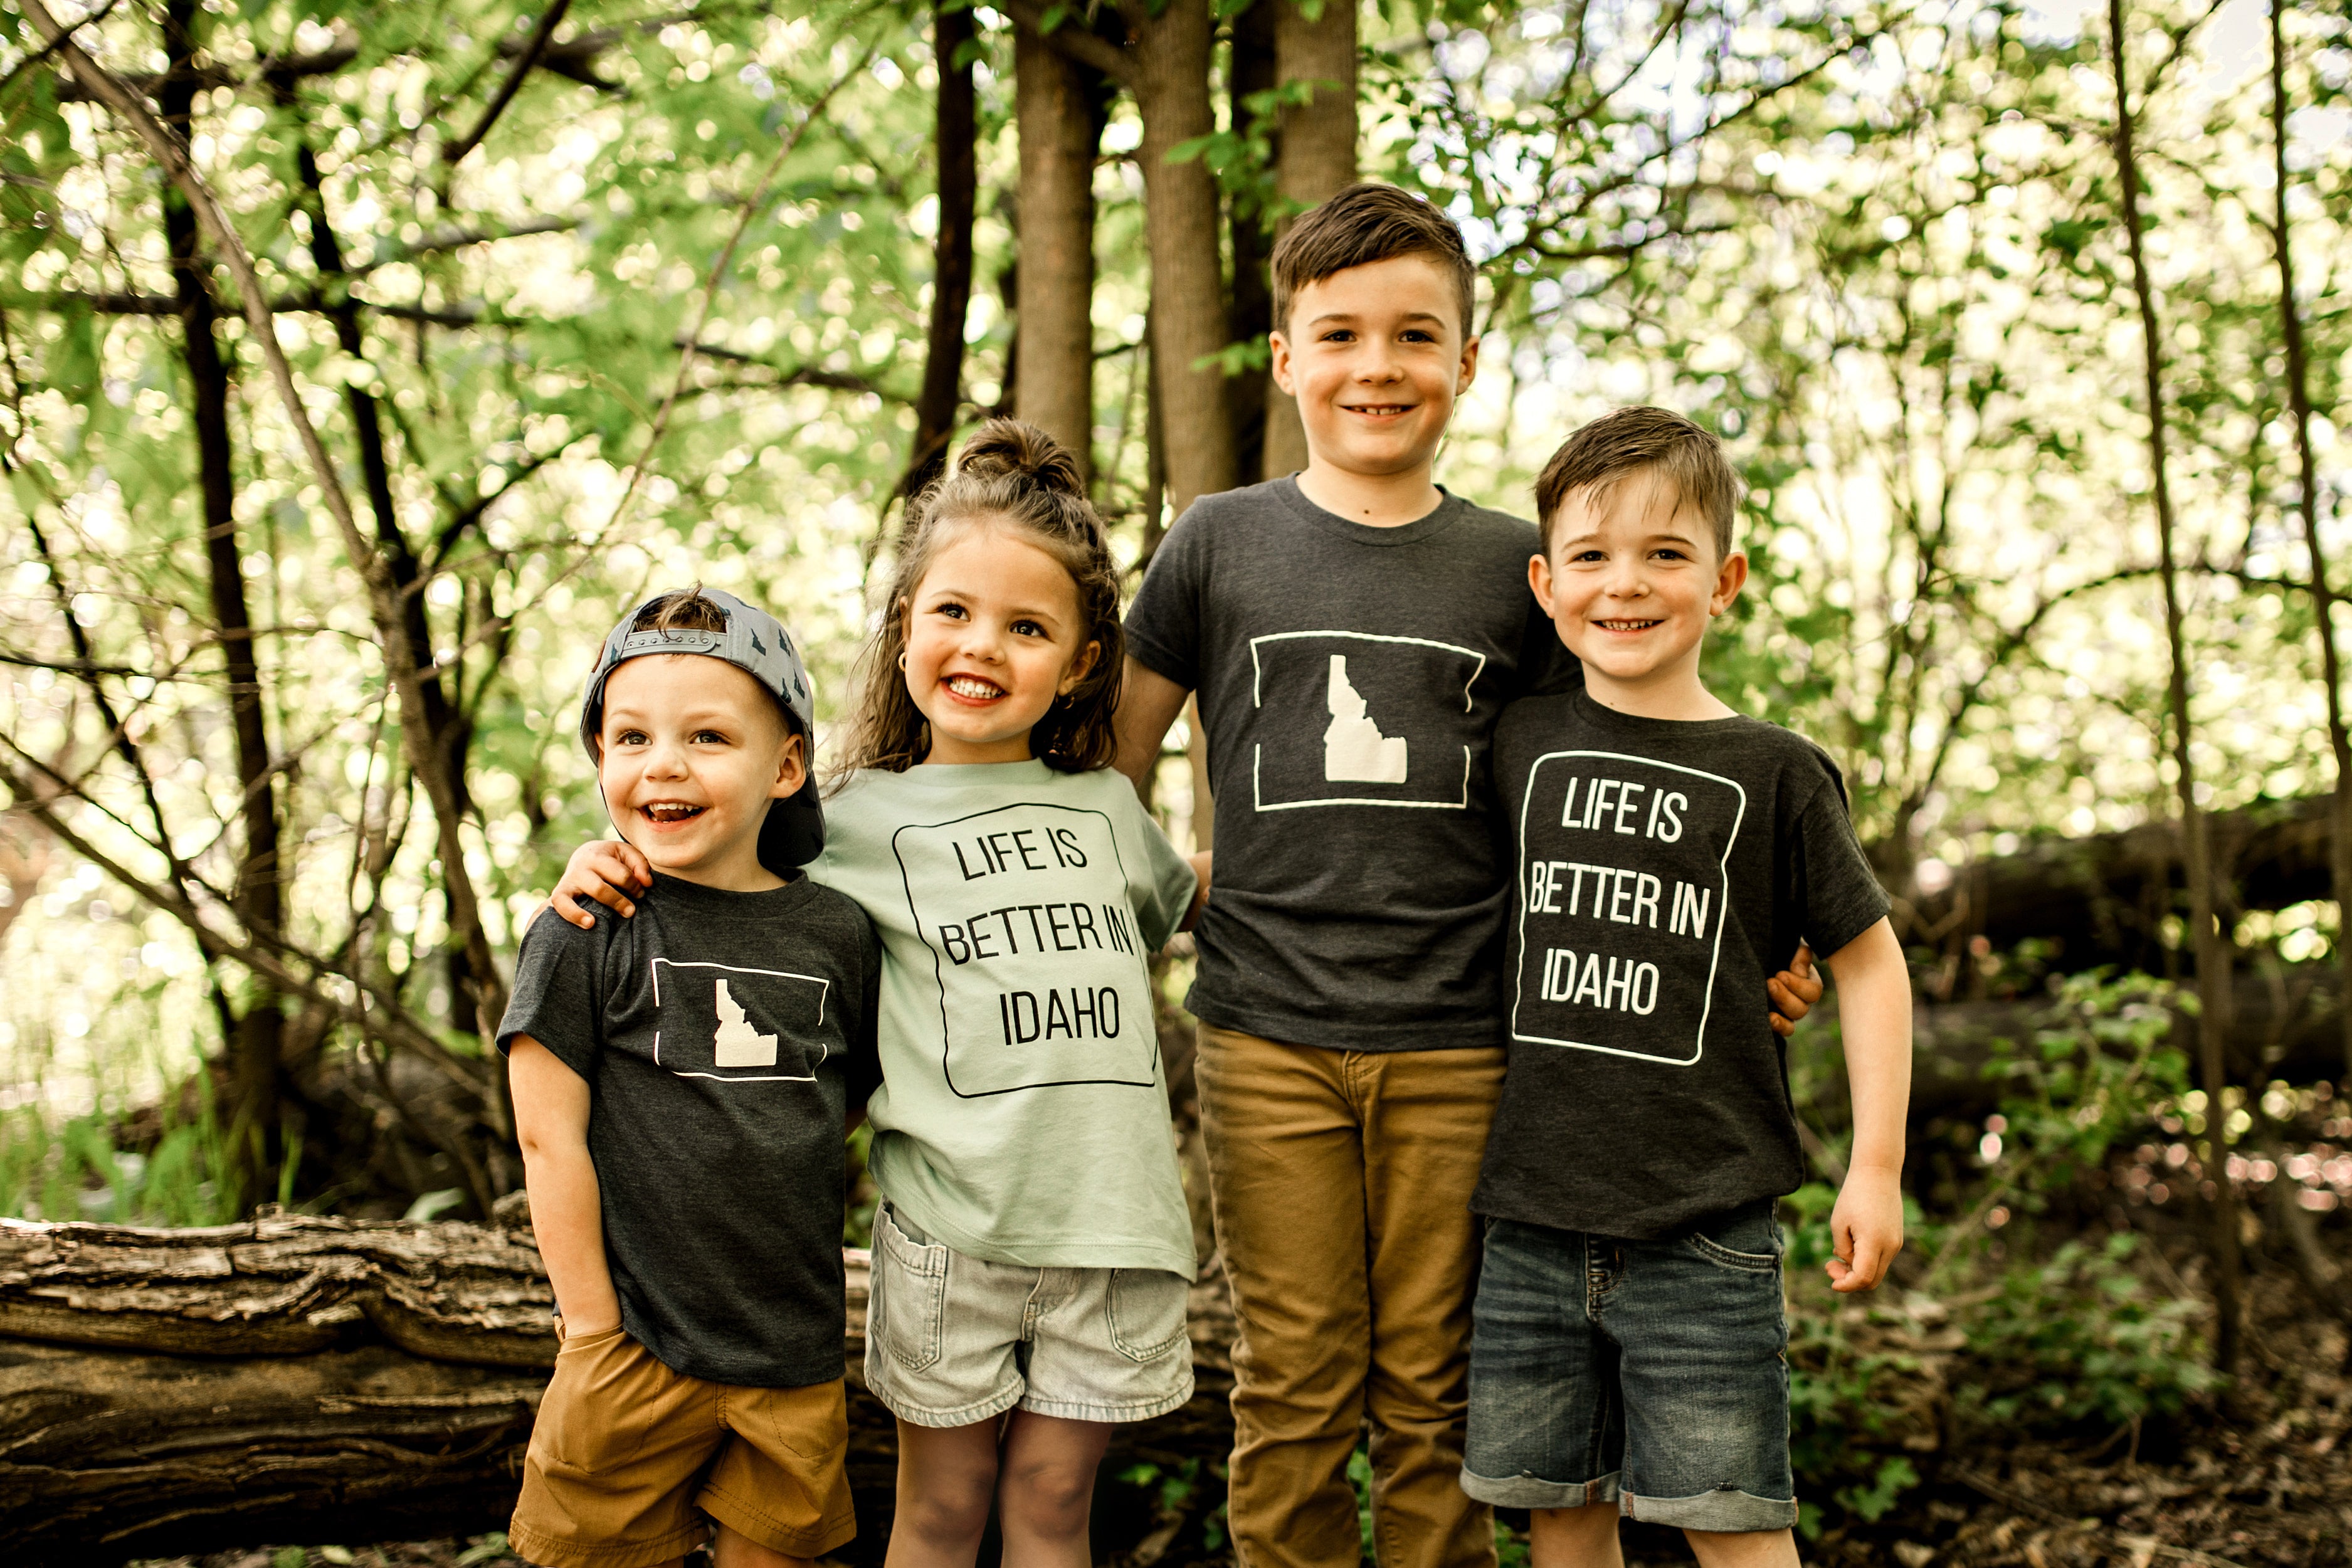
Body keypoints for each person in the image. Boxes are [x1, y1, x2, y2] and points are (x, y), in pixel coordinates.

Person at [1112, 182, 1824, 1568]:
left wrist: (1745, 953)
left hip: (1466, 1041)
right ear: (1284, 356)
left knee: (1436, 1397)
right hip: (1264, 1037)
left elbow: (1628, 763)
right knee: (1296, 1390)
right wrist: (1175, 889)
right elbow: (1106, 776)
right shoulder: (1218, 542)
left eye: (1413, 336)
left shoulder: (1521, 566)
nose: (1375, 367)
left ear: (1466, 364)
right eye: (1340, 335)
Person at [545, 421, 1206, 1568]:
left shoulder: (1108, 806)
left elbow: (1182, 904)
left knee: (1054, 1506)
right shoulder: (845, 821)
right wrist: (598, 862)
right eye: (952, 612)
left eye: (1027, 627)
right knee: (942, 1512)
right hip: (951, 1228)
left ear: (1082, 661)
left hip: (1112, 1225)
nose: (982, 646)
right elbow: (712, 848)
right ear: (905, 628)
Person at [1463, 407, 1912, 1568]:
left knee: (1736, 1530)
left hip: (1706, 1225)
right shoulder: (1513, 740)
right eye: (1593, 555)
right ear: (1545, 583)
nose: (1627, 583)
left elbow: (1868, 963)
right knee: (1561, 1522)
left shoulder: (1776, 769)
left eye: (1667, 553)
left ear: (1727, 581)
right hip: (1531, 1217)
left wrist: (1876, 1165)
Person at [500, 587, 880, 1568]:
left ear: (786, 763)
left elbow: (838, 1104)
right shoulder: (588, 927)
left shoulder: (837, 934)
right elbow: (547, 1135)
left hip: (789, 1354)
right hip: (629, 1350)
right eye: (629, 738)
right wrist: (588, 1328)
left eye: (707, 736)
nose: (662, 762)